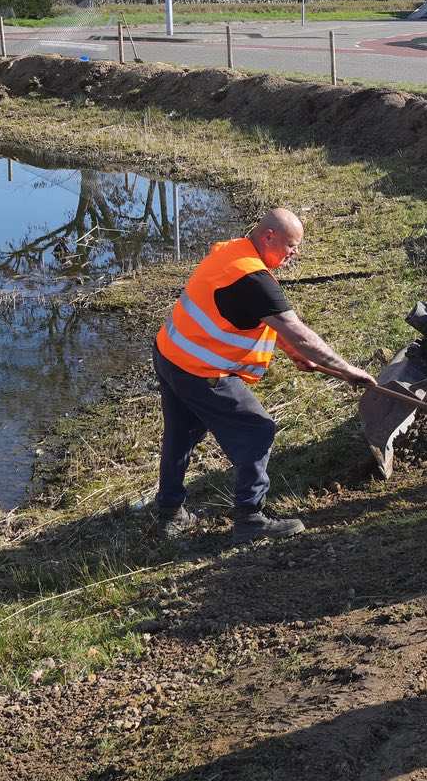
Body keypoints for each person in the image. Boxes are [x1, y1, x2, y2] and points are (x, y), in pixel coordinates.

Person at [151, 208, 378, 543]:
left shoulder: (232, 251)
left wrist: (297, 356)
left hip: (170, 353)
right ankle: (249, 518)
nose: (294, 254)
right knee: (258, 431)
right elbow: (296, 331)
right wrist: (347, 370)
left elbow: (262, 319)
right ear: (269, 236)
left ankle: (169, 510)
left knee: (180, 434)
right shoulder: (253, 279)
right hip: (200, 370)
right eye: (291, 245)